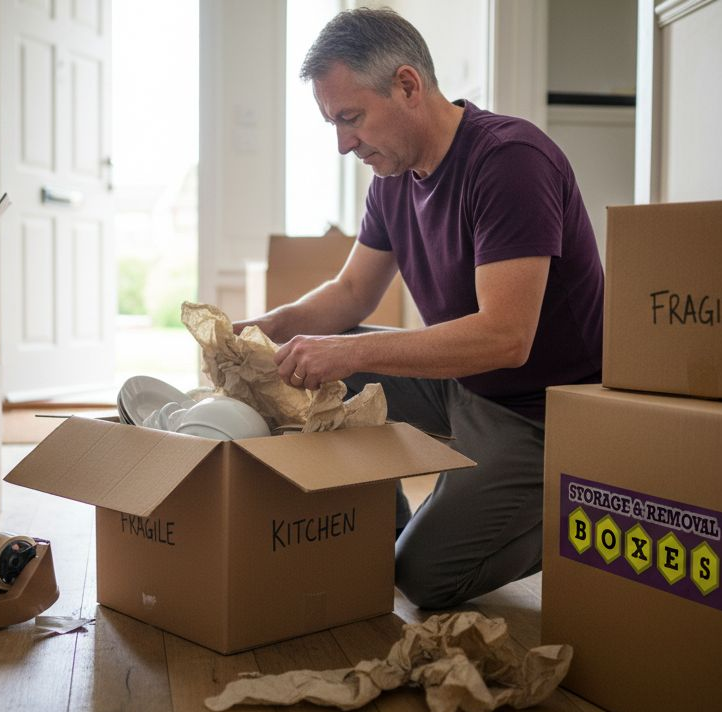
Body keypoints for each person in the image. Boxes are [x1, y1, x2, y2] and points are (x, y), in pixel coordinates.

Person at [233, 8, 604, 610]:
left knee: (425, 578)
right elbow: (351, 293)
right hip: (463, 384)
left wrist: (345, 352)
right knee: (298, 369)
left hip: (542, 412)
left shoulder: (510, 160)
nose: (343, 144)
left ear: (407, 85)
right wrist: (268, 327)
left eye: (350, 118)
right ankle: (384, 528)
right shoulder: (392, 178)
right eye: (333, 123)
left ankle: (596, 505)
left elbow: (506, 338)